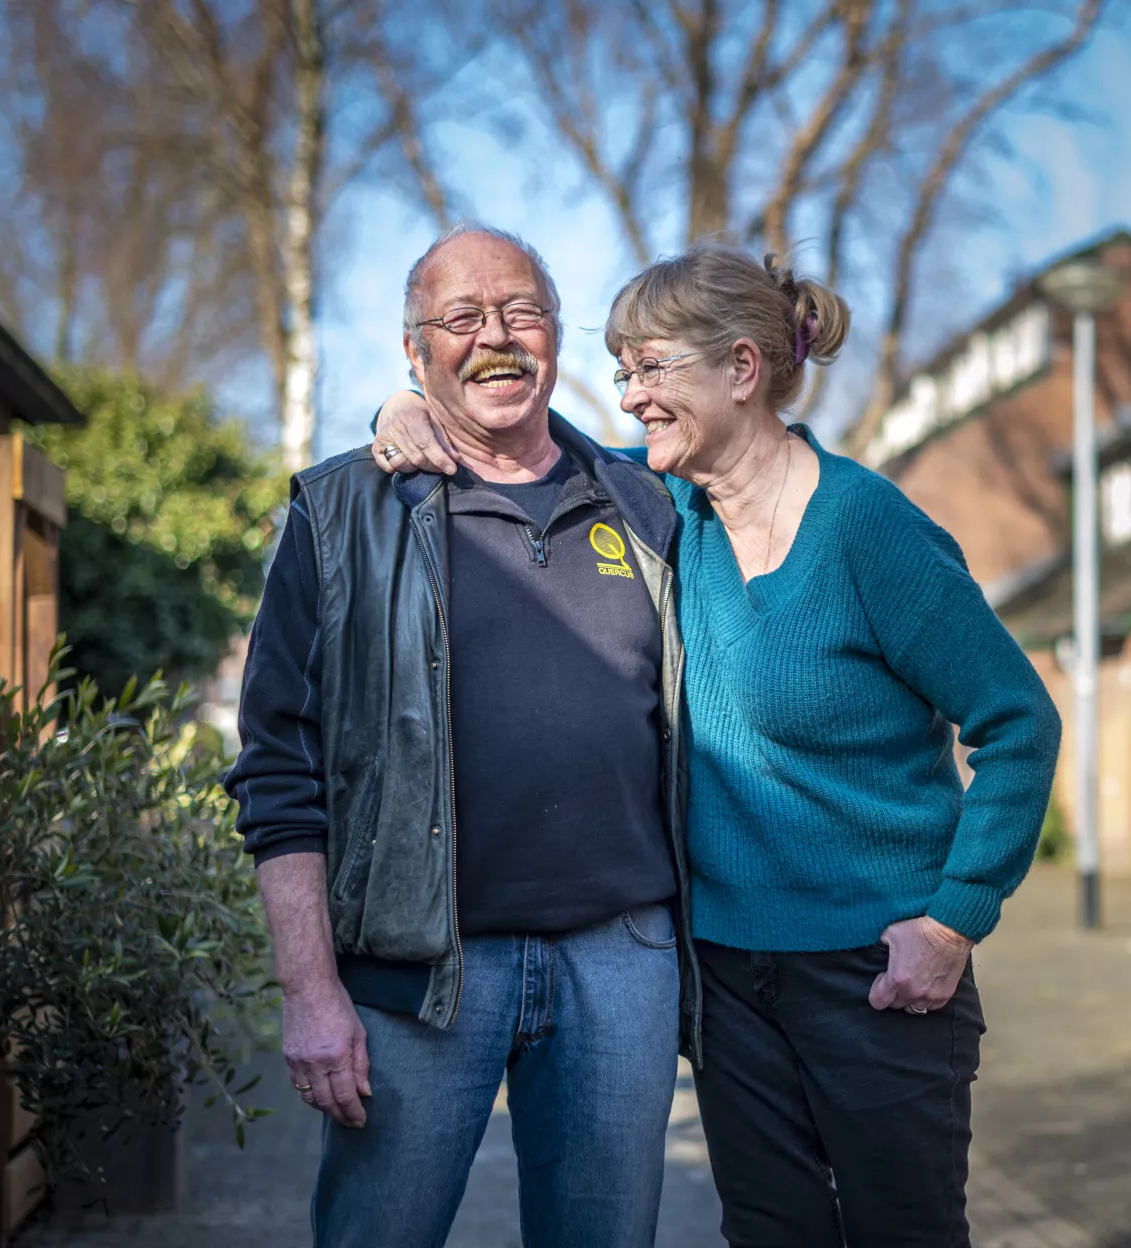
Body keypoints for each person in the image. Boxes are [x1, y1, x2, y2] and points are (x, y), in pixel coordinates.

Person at [371, 243, 1061, 1247]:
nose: (632, 397)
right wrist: (408, 413)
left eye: (652, 370)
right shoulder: (669, 516)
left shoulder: (864, 526)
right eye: (623, 372)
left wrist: (956, 918)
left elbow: (1018, 723)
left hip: (878, 969)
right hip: (728, 979)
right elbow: (521, 441)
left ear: (742, 369)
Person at [228, 224, 696, 1248]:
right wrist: (310, 993)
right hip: (416, 971)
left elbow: (771, 451)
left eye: (521, 311)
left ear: (556, 335)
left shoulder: (648, 500)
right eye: (461, 318)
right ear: (413, 350)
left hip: (622, 958)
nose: (497, 337)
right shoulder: (343, 510)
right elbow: (277, 768)